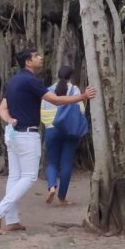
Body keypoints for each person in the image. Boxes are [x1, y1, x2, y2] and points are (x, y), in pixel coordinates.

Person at [0, 47, 96, 235]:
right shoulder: (31, 80)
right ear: (28, 62)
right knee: (29, 176)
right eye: (36, 56)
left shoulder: (14, 81)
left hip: (12, 133)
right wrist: (83, 96)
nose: (40, 58)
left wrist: (9, 120)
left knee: (15, 176)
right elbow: (55, 100)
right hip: (26, 134)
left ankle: (12, 221)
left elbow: (2, 108)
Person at [42, 65, 87, 207]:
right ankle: (62, 198)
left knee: (52, 162)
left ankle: (51, 187)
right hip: (70, 131)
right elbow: (81, 110)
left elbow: (43, 111)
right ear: (71, 76)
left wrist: (49, 124)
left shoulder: (48, 91)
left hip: (51, 130)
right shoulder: (75, 90)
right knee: (66, 164)